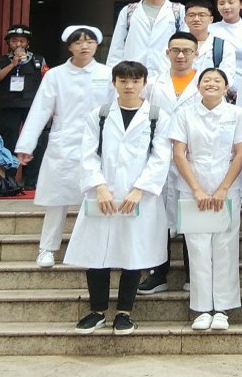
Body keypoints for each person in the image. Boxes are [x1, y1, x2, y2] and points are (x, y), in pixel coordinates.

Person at [65, 60, 172, 335]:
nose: (129, 86)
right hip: (103, 193)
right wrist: (99, 186)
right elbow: (88, 153)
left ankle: (125, 313)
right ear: (114, 83)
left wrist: (140, 189)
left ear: (144, 84)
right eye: (123, 80)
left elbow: (161, 157)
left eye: (135, 81)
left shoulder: (156, 116)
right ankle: (97, 311)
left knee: (132, 253)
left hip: (139, 196)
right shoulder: (99, 115)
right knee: (96, 253)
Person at [15, 26, 112, 268]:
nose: (84, 46)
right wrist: (27, 144)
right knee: (57, 200)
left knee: (96, 196)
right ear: (69, 46)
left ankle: (94, 248)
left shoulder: (107, 73)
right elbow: (40, 109)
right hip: (64, 140)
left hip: (100, 142)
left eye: (89, 41)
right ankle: (47, 248)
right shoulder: (55, 75)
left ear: (97, 45)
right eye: (78, 42)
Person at [170, 68, 242, 330]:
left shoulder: (238, 114)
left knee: (225, 246)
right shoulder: (184, 114)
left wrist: (223, 188)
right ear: (198, 86)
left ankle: (223, 309)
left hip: (226, 186)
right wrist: (196, 189)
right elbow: (179, 153)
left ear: (226, 87)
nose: (211, 84)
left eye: (217, 81)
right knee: (197, 248)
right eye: (206, 80)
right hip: (192, 187)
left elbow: (240, 153)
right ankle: (202, 308)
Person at [139, 31, 203, 295]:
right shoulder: (153, 84)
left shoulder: (206, 81)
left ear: (196, 53)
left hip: (193, 157)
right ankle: (157, 273)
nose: (181, 55)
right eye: (175, 50)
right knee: (158, 217)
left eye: (187, 50)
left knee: (191, 215)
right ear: (167, 52)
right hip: (160, 156)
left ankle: (193, 274)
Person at [0, 24, 48, 190]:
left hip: (33, 106)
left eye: (22, 41)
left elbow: (48, 82)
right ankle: (9, 180)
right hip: (9, 106)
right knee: (9, 141)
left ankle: (31, 181)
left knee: (36, 141)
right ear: (9, 43)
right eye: (14, 41)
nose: (18, 44)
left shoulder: (38, 60)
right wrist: (12, 65)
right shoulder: (0, 61)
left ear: (28, 43)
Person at [107, 0, 185, 84]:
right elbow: (117, 47)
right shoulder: (129, 11)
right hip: (132, 75)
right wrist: (112, 75)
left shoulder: (178, 11)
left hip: (166, 73)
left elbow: (187, 45)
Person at [181, 0, 236, 86]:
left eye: (202, 15)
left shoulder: (223, 46)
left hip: (212, 92)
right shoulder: (175, 44)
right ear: (185, 19)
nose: (196, 19)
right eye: (191, 15)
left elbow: (227, 77)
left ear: (211, 19)